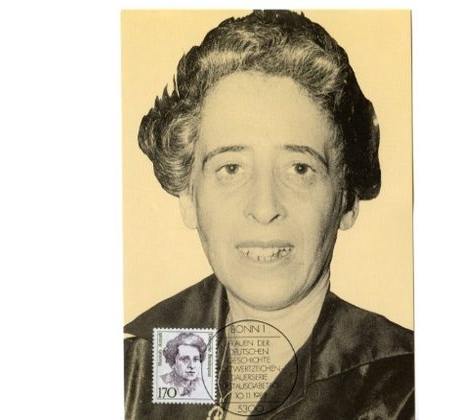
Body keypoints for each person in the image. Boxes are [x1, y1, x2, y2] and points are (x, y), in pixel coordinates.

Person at [124, 10, 414, 419]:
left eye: (299, 169)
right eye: (231, 168)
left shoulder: (405, 391)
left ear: (347, 199)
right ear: (188, 196)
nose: (264, 208)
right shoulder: (134, 372)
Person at [160, 332, 209, 398]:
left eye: (195, 359)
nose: (192, 366)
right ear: (173, 362)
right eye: (185, 359)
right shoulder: (162, 382)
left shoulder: (202, 385)